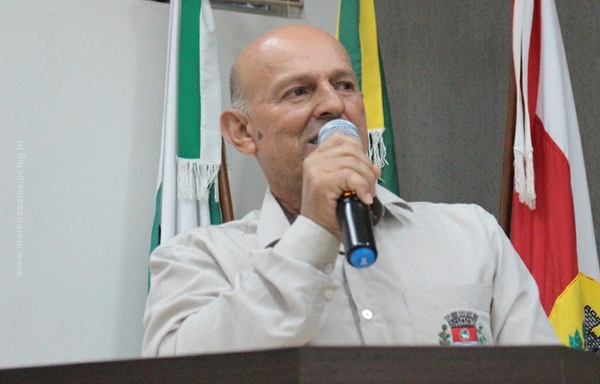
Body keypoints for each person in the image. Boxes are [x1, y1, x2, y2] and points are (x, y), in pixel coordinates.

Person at [142, 25, 558, 356]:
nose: (333, 105)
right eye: (298, 91)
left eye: (343, 85)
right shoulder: (198, 259)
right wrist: (314, 231)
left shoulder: (472, 235)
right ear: (243, 132)